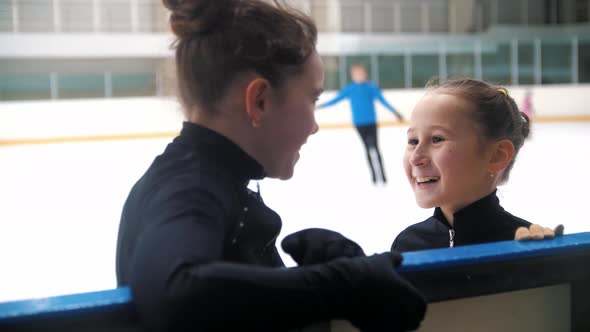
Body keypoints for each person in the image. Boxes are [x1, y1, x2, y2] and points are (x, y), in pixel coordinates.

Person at [115, 1, 426, 331]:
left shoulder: (210, 176)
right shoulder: (190, 188)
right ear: (259, 101)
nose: (314, 126)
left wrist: (318, 272)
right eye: (312, 99)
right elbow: (174, 293)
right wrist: (339, 284)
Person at [392, 78, 562, 253]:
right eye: (413, 141)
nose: (415, 157)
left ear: (497, 156)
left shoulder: (523, 247)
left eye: (437, 139)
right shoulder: (407, 246)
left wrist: (544, 262)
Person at [317, 64, 403, 185]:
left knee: (376, 148)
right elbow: (335, 100)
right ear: (353, 76)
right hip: (359, 124)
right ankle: (374, 177)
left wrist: (395, 112)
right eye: (357, 74)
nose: (359, 76)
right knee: (367, 148)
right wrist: (320, 106)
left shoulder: (371, 87)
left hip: (371, 123)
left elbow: (383, 101)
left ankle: (383, 177)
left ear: (365, 74)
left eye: (361, 73)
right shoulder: (350, 89)